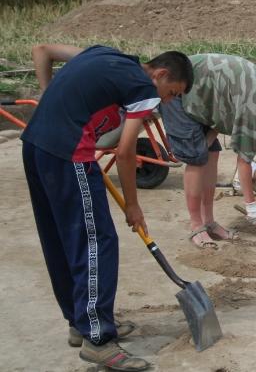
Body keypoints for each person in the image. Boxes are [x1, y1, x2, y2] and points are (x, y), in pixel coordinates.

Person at [22, 43, 193, 372]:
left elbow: (42, 50)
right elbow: (126, 152)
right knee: (97, 242)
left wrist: (49, 101)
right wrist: (133, 206)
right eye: (172, 92)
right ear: (160, 74)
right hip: (69, 154)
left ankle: (80, 321)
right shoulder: (143, 87)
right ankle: (97, 339)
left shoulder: (104, 54)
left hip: (36, 145)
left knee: (63, 240)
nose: (167, 101)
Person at [159, 53, 256, 249]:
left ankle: (209, 221)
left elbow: (227, 103)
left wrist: (209, 138)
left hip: (203, 94)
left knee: (211, 152)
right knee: (196, 158)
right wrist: (251, 207)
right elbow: (244, 162)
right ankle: (196, 226)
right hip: (178, 89)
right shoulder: (255, 105)